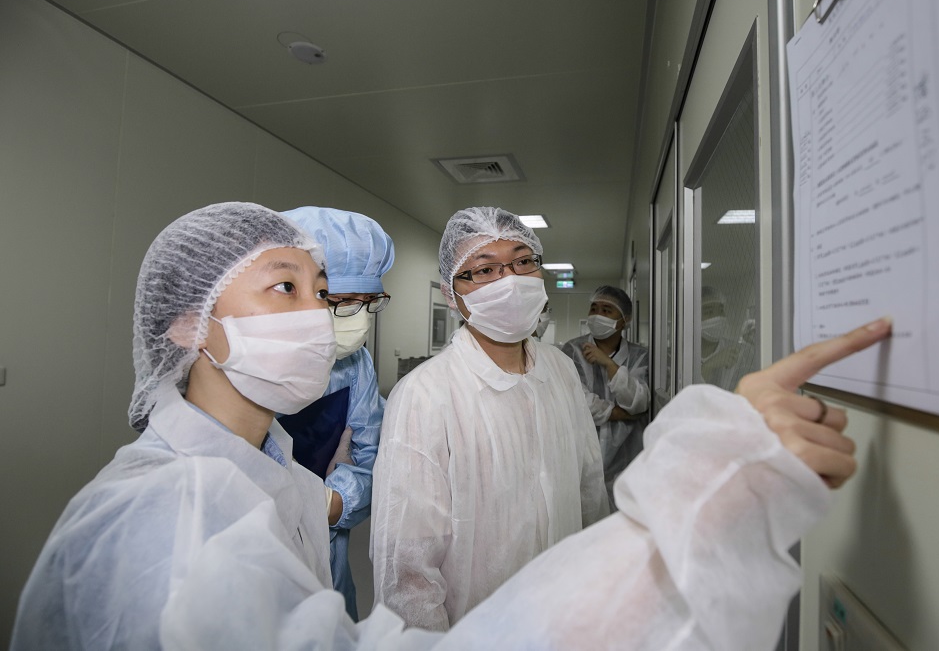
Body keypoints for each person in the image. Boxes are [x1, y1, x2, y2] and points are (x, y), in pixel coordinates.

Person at [10, 200, 893, 650]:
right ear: (186, 324)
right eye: (289, 288)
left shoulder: (264, 470)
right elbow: (406, 582)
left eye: (328, 293)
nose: (321, 316)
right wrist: (703, 493)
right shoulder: (165, 518)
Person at [370, 206, 610, 631]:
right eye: (484, 270)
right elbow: (407, 575)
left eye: (522, 261)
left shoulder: (560, 370)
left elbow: (589, 489)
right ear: (452, 294)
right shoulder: (425, 395)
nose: (510, 280)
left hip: (566, 617)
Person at [280, 205, 394, 621]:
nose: (358, 321)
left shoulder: (355, 363)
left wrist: (331, 503)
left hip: (329, 558)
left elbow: (373, 458)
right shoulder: (254, 362)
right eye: (343, 302)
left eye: (369, 303)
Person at [561, 285, 650, 510]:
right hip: (581, 459)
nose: (597, 314)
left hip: (627, 461)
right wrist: (619, 413)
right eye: (594, 308)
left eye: (606, 310)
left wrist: (609, 364)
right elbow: (576, 401)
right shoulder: (573, 351)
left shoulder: (640, 357)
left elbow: (639, 402)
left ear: (624, 320)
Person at [700, 285, 748, 390]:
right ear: (692, 318)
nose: (718, 317)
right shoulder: (676, 357)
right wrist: (709, 366)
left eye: (721, 311)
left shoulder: (739, 353)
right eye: (709, 312)